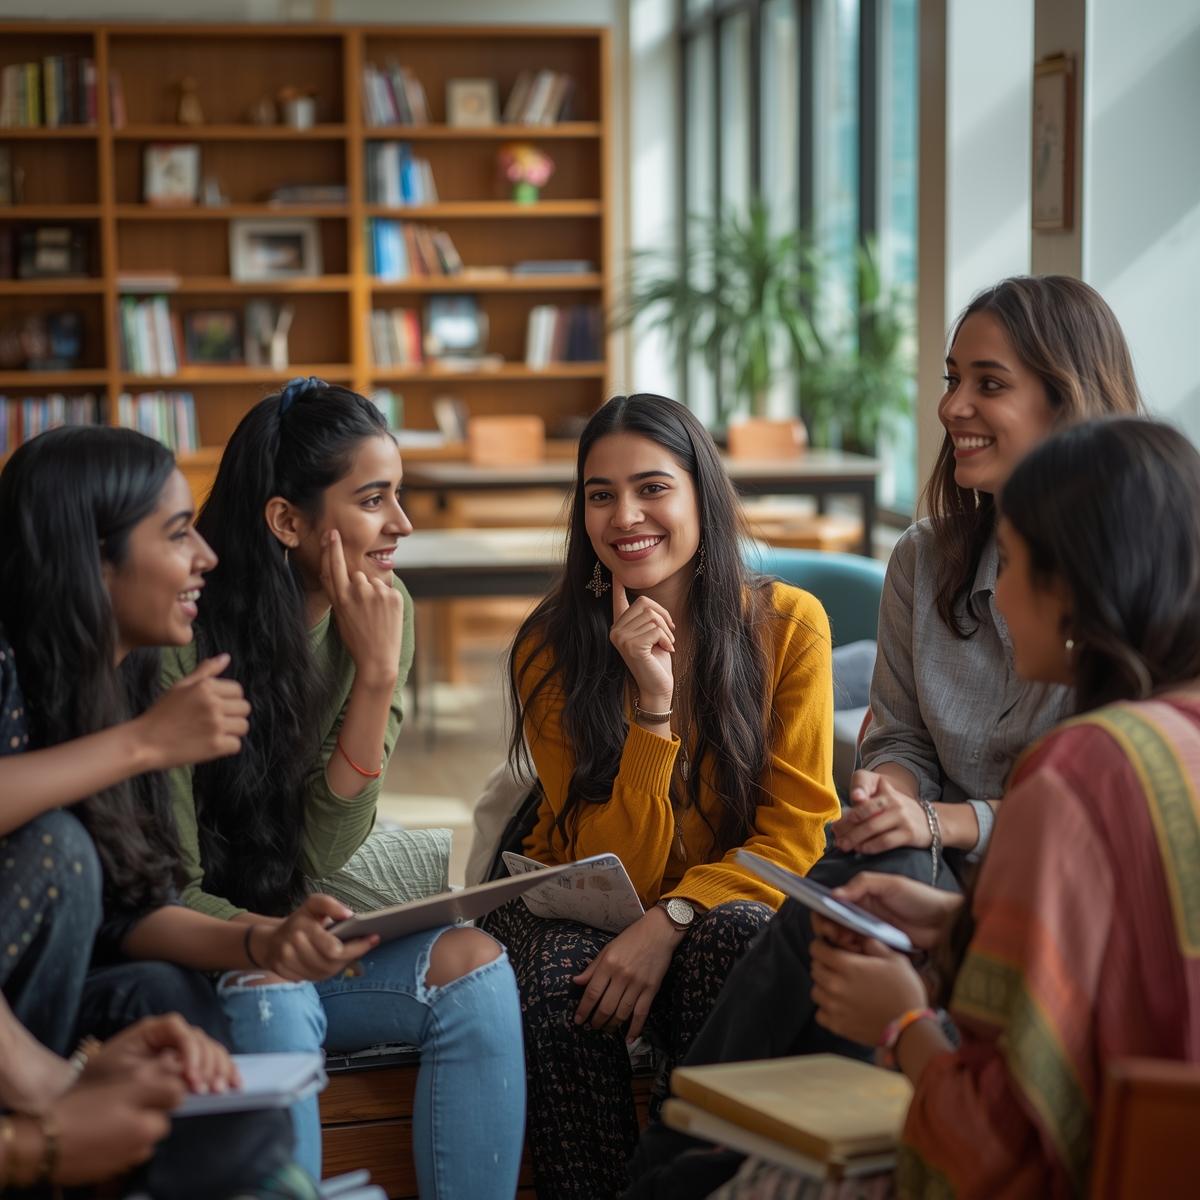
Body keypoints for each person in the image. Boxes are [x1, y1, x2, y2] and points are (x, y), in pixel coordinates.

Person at [628, 274, 1146, 1195]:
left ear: (1067, 399)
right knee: (872, 869)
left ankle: (693, 1165)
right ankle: (752, 1164)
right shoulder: (926, 558)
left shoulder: (1129, 586)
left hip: (1039, 886)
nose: (954, 407)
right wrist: (889, 797)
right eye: (952, 379)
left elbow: (1097, 797)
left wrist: (939, 826)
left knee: (873, 883)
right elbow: (895, 737)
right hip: (931, 873)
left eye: (989, 383)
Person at [783, 416, 1200, 1199]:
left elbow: (989, 1152)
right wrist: (951, 928)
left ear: (1076, 581)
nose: (997, 591)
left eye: (1015, 562)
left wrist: (904, 1024)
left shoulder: (1081, 774)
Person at [164, 378, 526, 1196]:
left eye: (398, 496)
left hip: (296, 919)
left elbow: (325, 851)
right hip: (198, 946)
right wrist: (268, 942)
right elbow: (165, 888)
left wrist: (374, 678)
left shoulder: (378, 610)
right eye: (374, 500)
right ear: (287, 520)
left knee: (475, 966)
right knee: (277, 998)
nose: (401, 525)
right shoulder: (182, 635)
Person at [486, 392, 841, 1199]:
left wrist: (673, 918)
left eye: (652, 488)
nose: (625, 516)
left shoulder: (789, 625)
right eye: (600, 494)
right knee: (559, 978)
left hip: (719, 903)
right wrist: (651, 708)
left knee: (740, 935)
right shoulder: (549, 649)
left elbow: (798, 837)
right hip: (576, 893)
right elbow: (606, 864)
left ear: (699, 497)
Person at [0, 425, 318, 1199]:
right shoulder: (10, 661)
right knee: (58, 851)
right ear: (92, 559)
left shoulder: (125, 676)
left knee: (167, 997)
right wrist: (140, 745)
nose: (205, 556)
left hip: (46, 1000)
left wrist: (263, 941)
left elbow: (130, 911)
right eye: (178, 535)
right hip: (22, 1044)